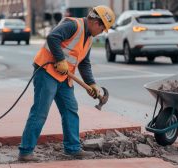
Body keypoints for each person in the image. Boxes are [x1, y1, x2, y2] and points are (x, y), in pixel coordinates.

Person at [18, 5, 115, 161]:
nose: (102, 32)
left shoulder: (89, 38)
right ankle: (25, 152)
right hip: (47, 72)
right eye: (103, 28)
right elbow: (52, 37)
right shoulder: (73, 25)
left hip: (64, 77)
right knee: (40, 111)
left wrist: (92, 84)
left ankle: (72, 149)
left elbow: (84, 63)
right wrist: (60, 59)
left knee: (71, 109)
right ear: (96, 22)